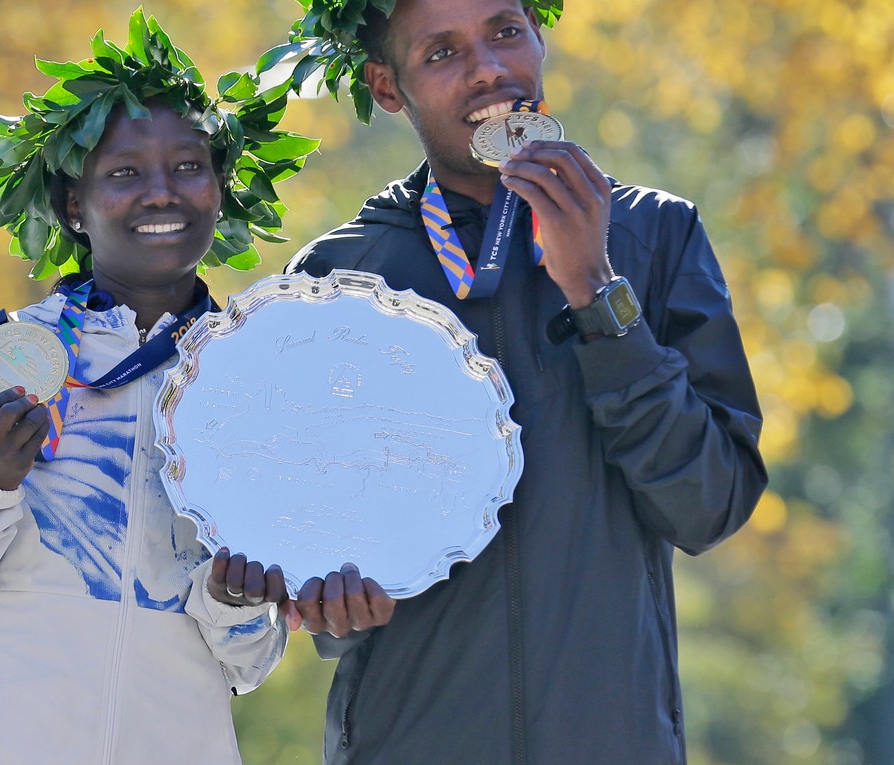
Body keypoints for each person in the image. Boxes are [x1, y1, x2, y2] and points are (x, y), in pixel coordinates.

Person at [275, 0, 769, 762]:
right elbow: (308, 541)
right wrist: (328, 601)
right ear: (386, 86)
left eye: (506, 31)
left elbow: (711, 503)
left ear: (540, 37)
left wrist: (599, 296)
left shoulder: (653, 235)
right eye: (441, 53)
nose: (489, 70)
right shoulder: (339, 279)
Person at [0, 11, 317, 764]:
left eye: (189, 166)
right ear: (73, 207)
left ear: (221, 191)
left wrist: (236, 603)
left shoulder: (254, 380)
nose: (162, 193)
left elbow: (251, 664)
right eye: (123, 173)